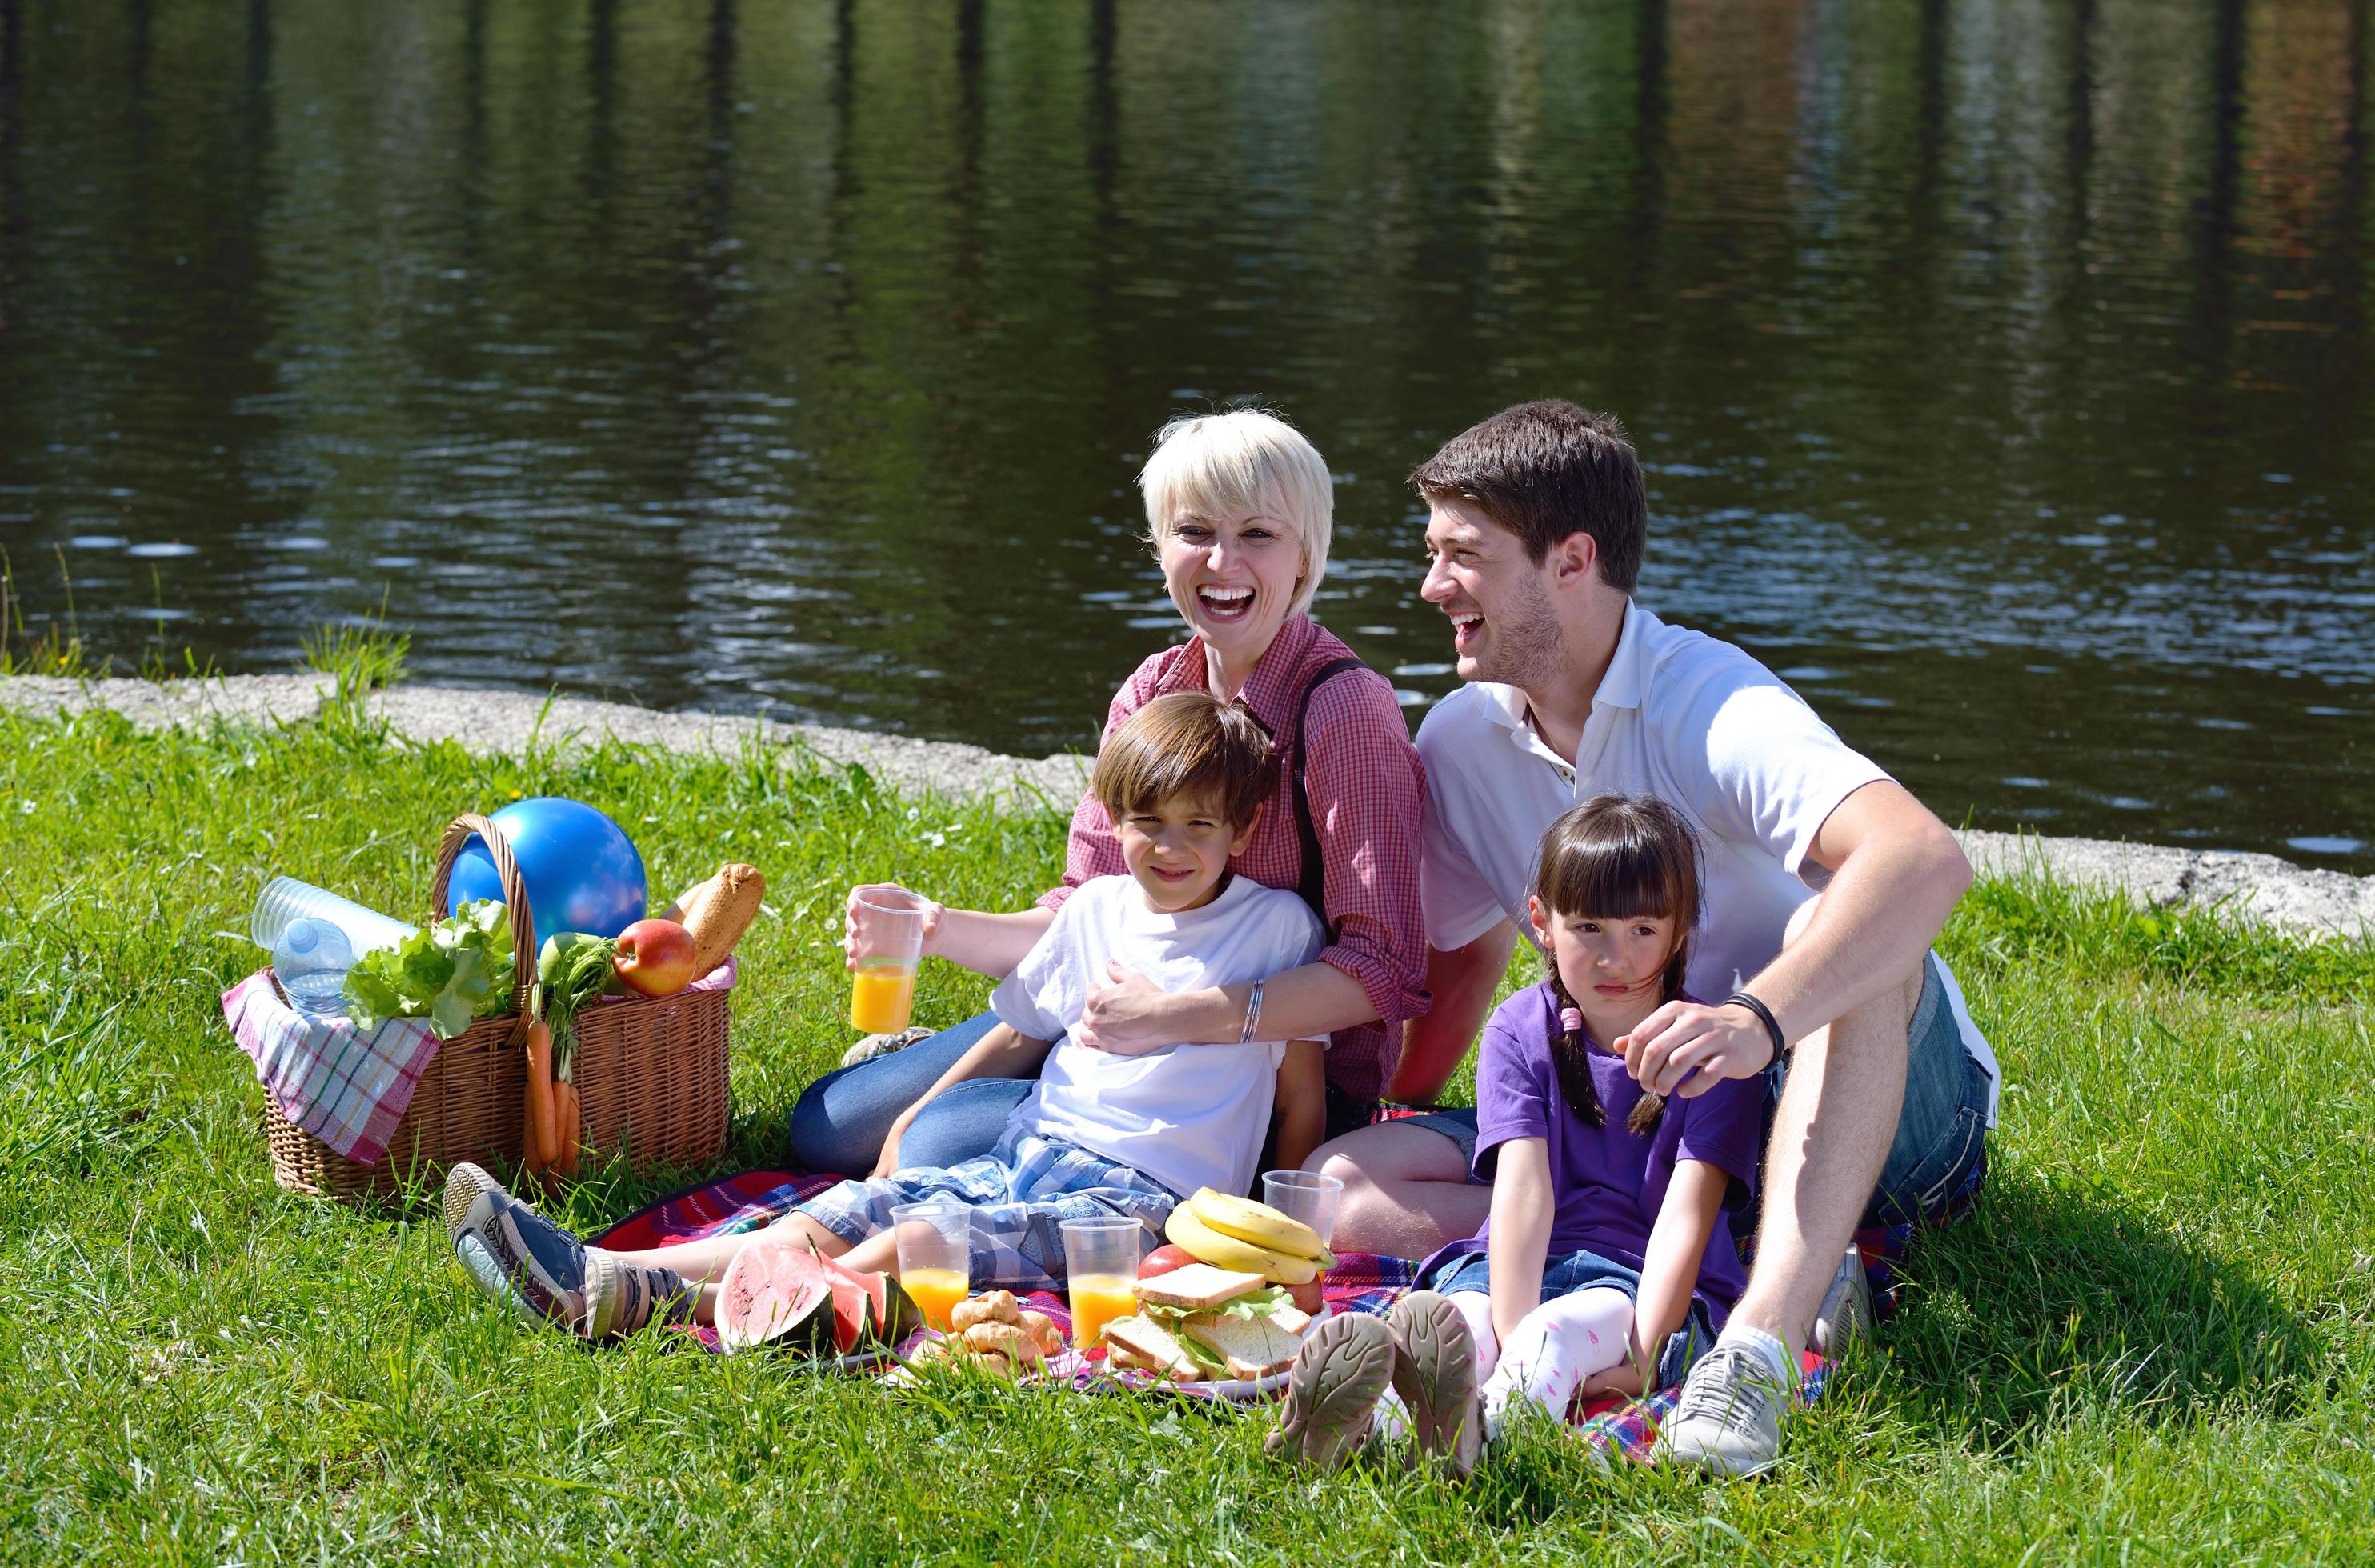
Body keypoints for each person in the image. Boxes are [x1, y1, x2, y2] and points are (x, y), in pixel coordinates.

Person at [1306, 400, 1998, 1478]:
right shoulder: (1462, 736)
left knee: (1844, 917)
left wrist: (1755, 1021)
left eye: (1462, 557)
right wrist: (1389, 1105)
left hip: (1878, 1103)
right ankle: (1569, 1280)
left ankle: (1755, 1354)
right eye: (1430, 554)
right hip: (1630, 1130)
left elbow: (1924, 859)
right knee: (1342, 1181)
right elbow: (1465, 958)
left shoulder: (1709, 703)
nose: (1432, 587)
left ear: (1571, 560)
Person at [442, 691, 1328, 1337]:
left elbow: (1297, 1095)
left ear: (1241, 830)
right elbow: (1018, 1032)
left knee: (912, 1240)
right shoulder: (1097, 909)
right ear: (1115, 817)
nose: (1168, 847)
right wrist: (913, 1109)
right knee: (844, 1210)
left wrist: (1279, 1244)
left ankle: (668, 1304)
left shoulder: (1275, 928)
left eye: (1196, 827)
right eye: (1145, 821)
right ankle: (607, 1271)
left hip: (1133, 1199)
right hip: (1027, 1149)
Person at [790, 408, 1427, 1180]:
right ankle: (942, 1058)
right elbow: (1083, 910)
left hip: (1261, 1080)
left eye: (1258, 534)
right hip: (1104, 1029)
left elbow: (1379, 970)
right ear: (1161, 548)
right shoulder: (1154, 689)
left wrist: (1175, 1014)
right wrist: (937, 928)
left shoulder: (1344, 711)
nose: (1222, 562)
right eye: (1194, 531)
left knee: (934, 1143)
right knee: (826, 1131)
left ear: (1304, 556)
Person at [1269, 796, 1763, 1476]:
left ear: (1680, 933)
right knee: (1453, 1326)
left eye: (1643, 929)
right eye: (1589, 926)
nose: (1614, 957)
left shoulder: (1710, 1054)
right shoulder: (1519, 1028)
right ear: (1543, 923)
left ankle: (1490, 1439)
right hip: (1514, 1260)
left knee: (1549, 1337)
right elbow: (1523, 1193)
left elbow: (1688, 1213)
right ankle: (1367, 1427)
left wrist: (1645, 1358)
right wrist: (1502, 1326)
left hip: (1633, 1280)